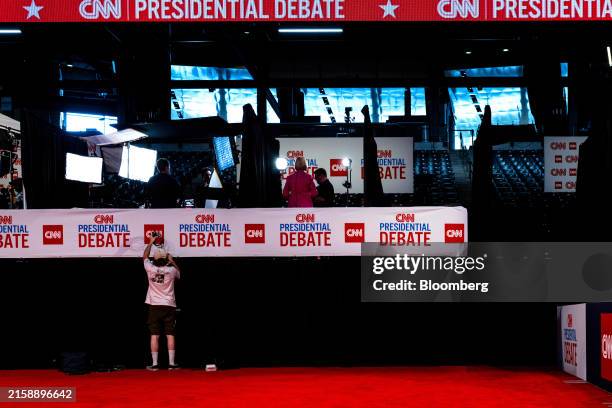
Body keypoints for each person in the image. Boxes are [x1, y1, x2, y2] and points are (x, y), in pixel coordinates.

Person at [143, 235, 181, 371]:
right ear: (166, 259)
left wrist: (151, 243)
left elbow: (145, 257)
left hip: (154, 306)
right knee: (170, 334)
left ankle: (155, 364)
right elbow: (179, 273)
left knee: (155, 335)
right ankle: (171, 364)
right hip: (169, 305)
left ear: (155, 259)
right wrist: (172, 261)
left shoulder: (150, 269)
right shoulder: (171, 271)